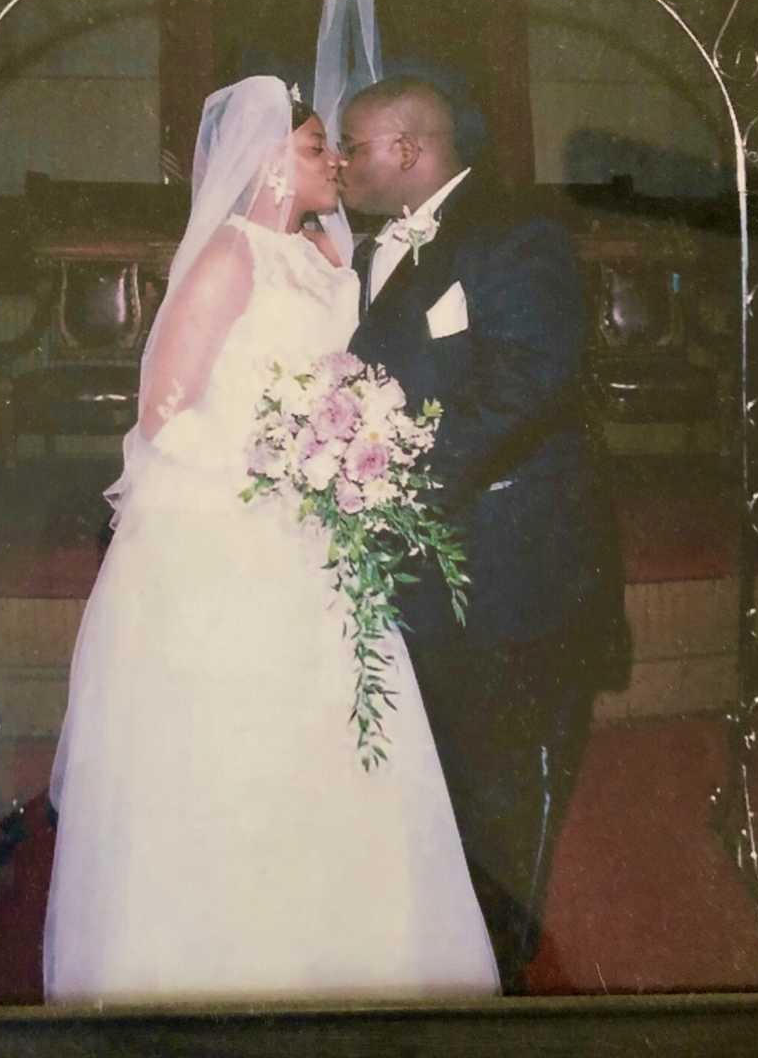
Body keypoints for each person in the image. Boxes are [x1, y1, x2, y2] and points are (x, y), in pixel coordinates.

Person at [43, 76, 500, 1004]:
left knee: (345, 760)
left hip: (323, 535)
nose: (333, 159)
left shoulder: (330, 252)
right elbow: (163, 414)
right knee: (238, 756)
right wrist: (284, 461)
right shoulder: (228, 258)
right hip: (236, 537)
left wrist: (347, 448)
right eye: (312, 145)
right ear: (265, 161)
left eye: (334, 144)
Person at [341, 76, 630, 992]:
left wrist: (397, 472)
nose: (345, 166)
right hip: (425, 562)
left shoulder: (515, 230)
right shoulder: (357, 252)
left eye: (355, 147)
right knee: (450, 769)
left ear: (409, 150)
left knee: (508, 783)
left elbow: (534, 373)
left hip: (514, 560)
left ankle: (498, 981)